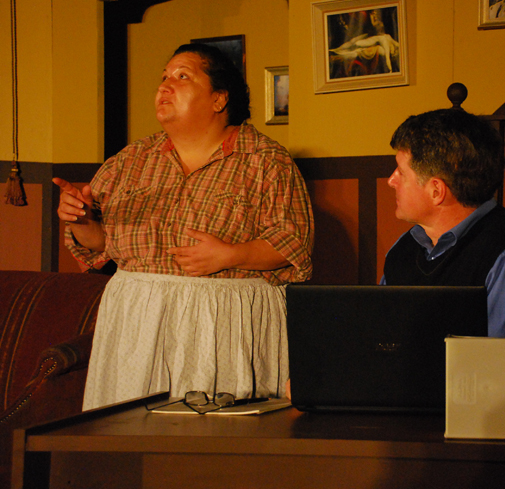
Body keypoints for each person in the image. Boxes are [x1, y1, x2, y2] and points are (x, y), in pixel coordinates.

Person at [53, 43, 314, 410]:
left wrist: (231, 255)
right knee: (129, 429)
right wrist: (82, 220)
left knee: (213, 436)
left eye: (182, 77)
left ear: (219, 99)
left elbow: (293, 242)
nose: (165, 86)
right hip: (136, 322)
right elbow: (101, 244)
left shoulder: (266, 161)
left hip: (224, 322)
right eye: (164, 77)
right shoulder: (130, 160)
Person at [381, 108, 505, 391]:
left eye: (401, 172)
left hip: (478, 416)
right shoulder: (403, 250)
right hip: (402, 410)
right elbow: (381, 342)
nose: (391, 181)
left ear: (436, 190)